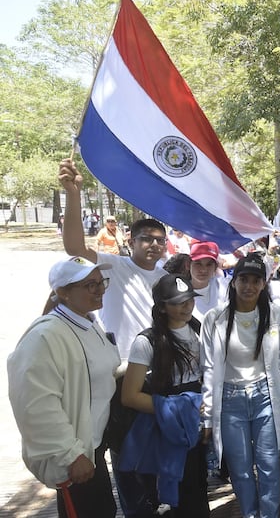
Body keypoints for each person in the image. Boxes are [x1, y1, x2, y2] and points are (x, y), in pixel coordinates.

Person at [59, 159, 169, 516]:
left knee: (156, 458)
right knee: (127, 459)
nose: (154, 245)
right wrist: (73, 194)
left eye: (160, 240)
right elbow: (74, 246)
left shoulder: (167, 278)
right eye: (146, 239)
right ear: (130, 241)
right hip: (120, 378)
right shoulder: (114, 266)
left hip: (159, 377)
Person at [200, 254, 280, 518]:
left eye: (256, 280)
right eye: (243, 279)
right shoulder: (214, 318)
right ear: (234, 282)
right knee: (240, 470)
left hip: (265, 398)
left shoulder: (273, 314)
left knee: (269, 465)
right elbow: (209, 369)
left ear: (264, 284)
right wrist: (207, 416)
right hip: (230, 401)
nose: (249, 286)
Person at [8, 256, 120, 518]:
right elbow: (36, 405)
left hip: (93, 446)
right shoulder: (45, 336)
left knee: (104, 510)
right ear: (62, 293)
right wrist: (70, 455)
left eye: (100, 282)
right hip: (75, 455)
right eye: (90, 285)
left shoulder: (88, 322)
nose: (99, 290)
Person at [120, 274, 209, 516]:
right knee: (178, 491)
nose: (187, 307)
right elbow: (130, 396)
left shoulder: (199, 329)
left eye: (190, 300)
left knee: (198, 485)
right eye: (178, 302)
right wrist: (179, 409)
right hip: (169, 428)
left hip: (199, 422)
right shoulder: (146, 341)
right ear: (161, 307)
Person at [189, 241, 230, 320]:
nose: (203, 270)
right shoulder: (180, 292)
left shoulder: (225, 285)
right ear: (188, 264)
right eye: (198, 263)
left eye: (209, 264)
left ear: (215, 267)